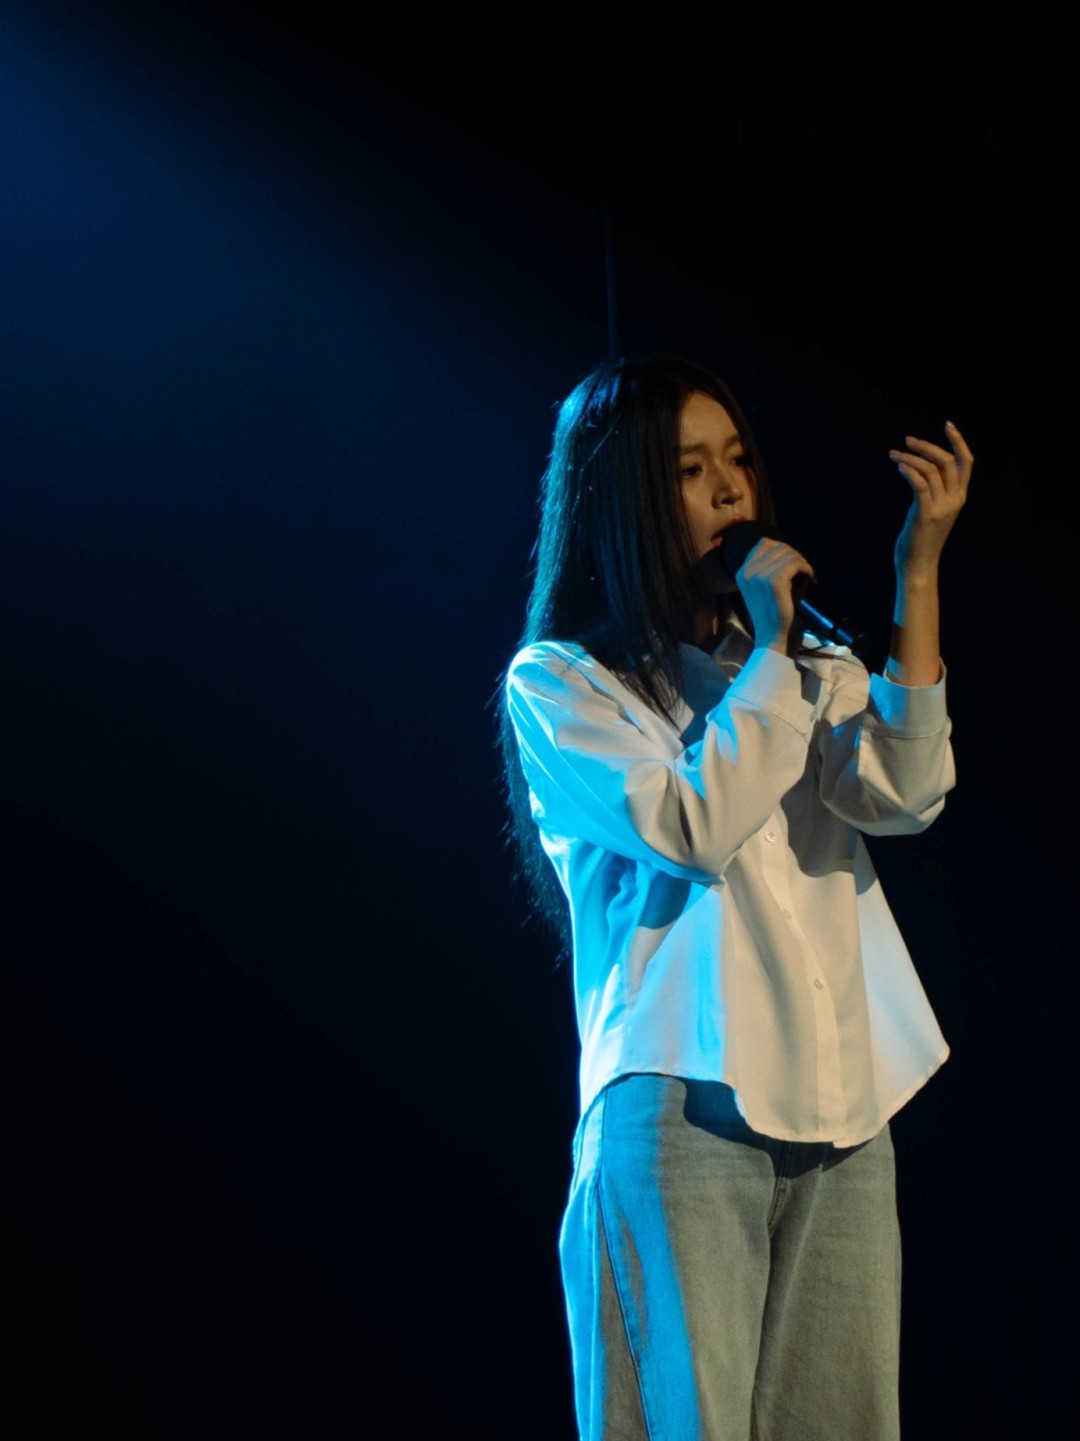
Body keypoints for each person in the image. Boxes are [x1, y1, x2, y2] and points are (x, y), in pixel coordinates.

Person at [498, 353, 973, 1440]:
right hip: (681, 1103)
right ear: (623, 499)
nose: (728, 490)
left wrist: (917, 578)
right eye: (688, 469)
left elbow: (906, 792)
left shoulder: (796, 659)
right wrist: (773, 662)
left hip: (844, 1101)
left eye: (738, 462)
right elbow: (692, 824)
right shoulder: (565, 684)